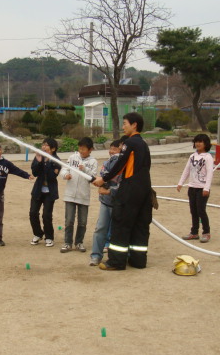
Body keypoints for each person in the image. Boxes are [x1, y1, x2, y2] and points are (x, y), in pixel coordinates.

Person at [93, 113, 152, 270]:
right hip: (144, 189)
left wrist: (103, 179)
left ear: (134, 125)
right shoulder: (144, 144)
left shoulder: (130, 143)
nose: (123, 126)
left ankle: (116, 262)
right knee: (140, 225)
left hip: (130, 189)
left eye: (125, 123)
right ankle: (138, 261)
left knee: (121, 224)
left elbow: (120, 164)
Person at [60, 137, 98, 253]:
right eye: (80, 148)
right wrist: (65, 175)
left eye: (84, 149)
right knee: (69, 220)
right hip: (70, 194)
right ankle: (68, 243)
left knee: (82, 221)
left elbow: (93, 177)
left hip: (83, 195)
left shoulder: (93, 162)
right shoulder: (72, 158)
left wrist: (85, 169)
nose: (81, 151)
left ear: (90, 149)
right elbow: (64, 169)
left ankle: (79, 242)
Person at [90, 139, 123, 266]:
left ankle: (116, 257)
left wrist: (109, 190)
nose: (112, 152)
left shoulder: (125, 164)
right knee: (100, 228)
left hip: (119, 204)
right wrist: (101, 182)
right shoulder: (107, 162)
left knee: (117, 231)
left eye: (115, 149)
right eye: (111, 148)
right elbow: (103, 176)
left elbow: (123, 185)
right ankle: (96, 256)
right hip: (105, 202)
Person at [177, 133, 214, 243]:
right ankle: (194, 232)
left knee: (201, 210)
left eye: (200, 142)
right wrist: (180, 183)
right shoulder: (192, 156)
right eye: (196, 141)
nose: (198, 144)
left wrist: (206, 188)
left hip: (202, 188)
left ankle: (206, 232)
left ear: (205, 143)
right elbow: (186, 170)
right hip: (192, 187)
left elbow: (210, 173)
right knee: (193, 211)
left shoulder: (208, 157)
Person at [29, 138, 61, 247]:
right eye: (43, 144)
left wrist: (46, 163)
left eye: (46, 145)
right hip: (38, 191)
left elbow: (52, 176)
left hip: (50, 192)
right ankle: (38, 234)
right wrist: (38, 161)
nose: (43, 147)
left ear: (53, 149)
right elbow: (35, 173)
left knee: (46, 215)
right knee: (33, 213)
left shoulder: (56, 160)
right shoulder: (39, 157)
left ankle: (49, 237)